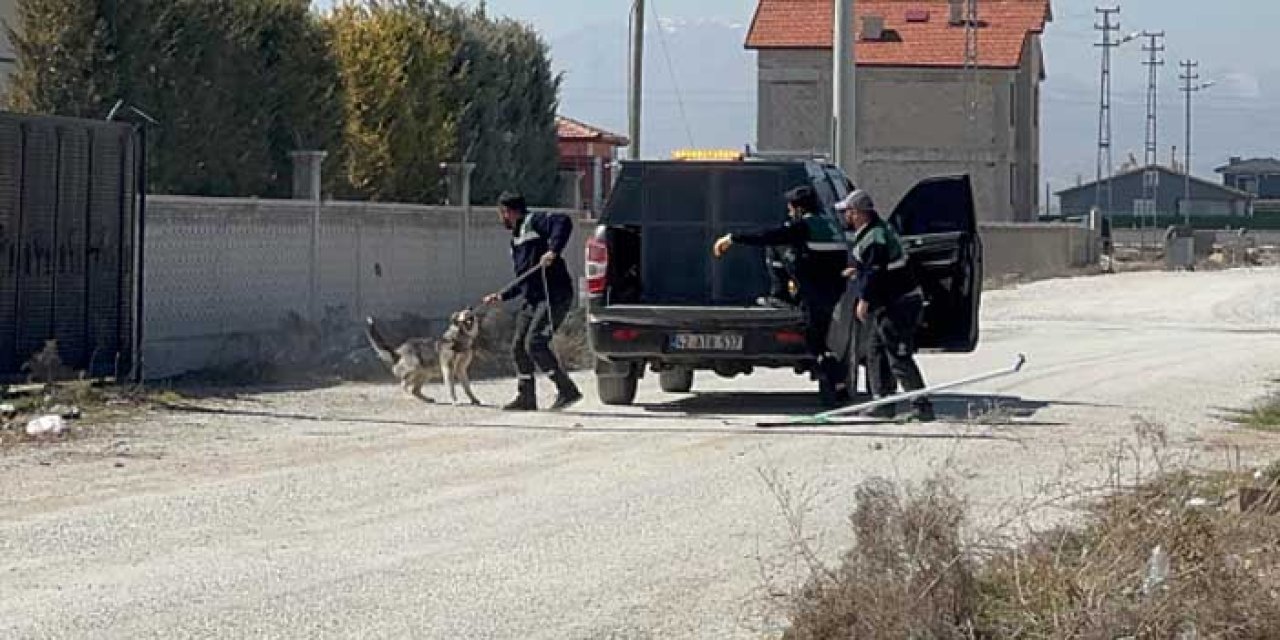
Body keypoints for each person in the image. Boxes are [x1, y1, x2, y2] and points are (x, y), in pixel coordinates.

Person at [712, 185, 849, 406]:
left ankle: (780, 294)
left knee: (816, 343)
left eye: (790, 206)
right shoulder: (830, 225)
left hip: (815, 292)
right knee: (820, 342)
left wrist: (733, 238)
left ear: (798, 208)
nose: (788, 210)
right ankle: (839, 385)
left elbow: (768, 236)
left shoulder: (803, 226)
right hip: (831, 291)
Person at [836, 189, 935, 422]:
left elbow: (875, 272)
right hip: (888, 304)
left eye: (847, 212)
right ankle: (883, 402)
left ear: (858, 213)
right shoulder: (872, 232)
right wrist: (857, 270)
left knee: (898, 355)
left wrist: (864, 300)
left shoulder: (875, 237)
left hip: (899, 304)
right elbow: (874, 266)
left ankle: (922, 405)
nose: (845, 216)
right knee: (875, 351)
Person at [482, 192, 583, 412]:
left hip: (553, 296)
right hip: (533, 300)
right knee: (519, 346)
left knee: (535, 343)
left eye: (501, 213)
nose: (501, 219)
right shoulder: (515, 240)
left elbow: (563, 221)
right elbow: (524, 278)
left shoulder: (533, 222)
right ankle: (526, 397)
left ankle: (567, 391)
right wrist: (502, 295)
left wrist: (552, 251)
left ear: (509, 212)